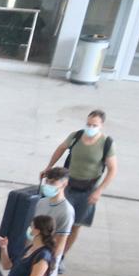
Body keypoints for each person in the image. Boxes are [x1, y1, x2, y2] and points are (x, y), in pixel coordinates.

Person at [43, 109, 117, 261]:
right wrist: (49, 167)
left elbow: (112, 169)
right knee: (57, 221)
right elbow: (61, 149)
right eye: (88, 124)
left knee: (75, 225)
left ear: (101, 125)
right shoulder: (76, 136)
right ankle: (47, 253)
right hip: (68, 186)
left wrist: (99, 191)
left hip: (88, 190)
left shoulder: (106, 144)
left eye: (94, 125)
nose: (90, 128)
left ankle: (60, 256)